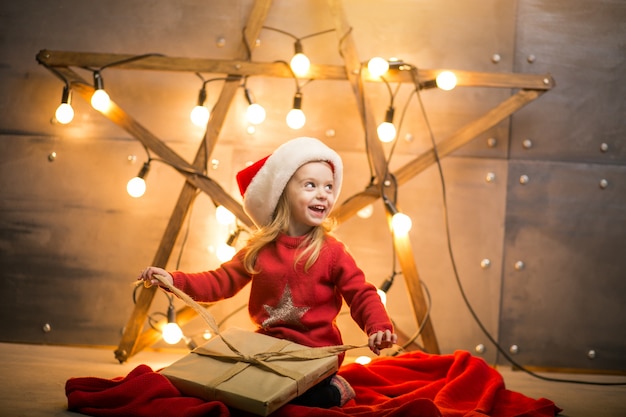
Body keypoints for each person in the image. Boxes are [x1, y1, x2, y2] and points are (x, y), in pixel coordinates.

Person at [139, 136, 397, 408]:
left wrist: (377, 327)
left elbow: (361, 294)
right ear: (282, 192)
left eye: (329, 187)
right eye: (311, 185)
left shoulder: (332, 252)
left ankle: (335, 388)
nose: (323, 194)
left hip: (313, 357)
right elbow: (220, 281)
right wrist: (174, 281)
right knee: (234, 391)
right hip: (266, 351)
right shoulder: (259, 250)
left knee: (301, 400)